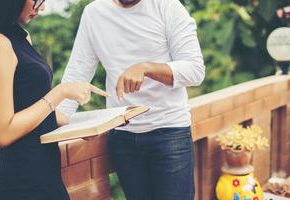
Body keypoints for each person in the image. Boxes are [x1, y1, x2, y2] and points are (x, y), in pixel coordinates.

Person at [58, 0, 205, 199]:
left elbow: (195, 71)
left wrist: (146, 68)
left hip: (169, 132)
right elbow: (77, 73)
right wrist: (57, 121)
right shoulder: (94, 13)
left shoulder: (168, 6)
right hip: (123, 137)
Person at [0, 0, 105, 199]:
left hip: (46, 169)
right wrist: (60, 92)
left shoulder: (22, 36)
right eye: (37, 1)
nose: (42, 8)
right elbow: (3, 133)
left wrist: (79, 127)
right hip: (21, 179)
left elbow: (30, 108)